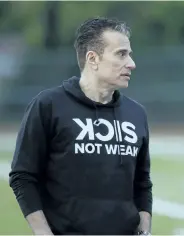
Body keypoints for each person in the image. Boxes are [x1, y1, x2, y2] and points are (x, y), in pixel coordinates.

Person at [9, 17, 153, 235]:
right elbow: (23, 177)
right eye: (121, 54)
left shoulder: (136, 114)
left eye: (129, 54)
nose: (131, 63)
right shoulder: (48, 105)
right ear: (93, 59)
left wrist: (145, 227)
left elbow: (142, 183)